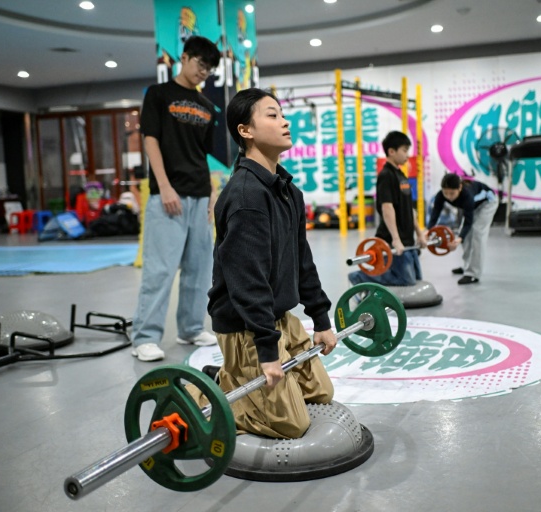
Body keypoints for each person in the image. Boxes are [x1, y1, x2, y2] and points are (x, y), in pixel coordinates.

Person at [200, 88, 337, 439]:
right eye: (272, 115)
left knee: (322, 393)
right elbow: (248, 281)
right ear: (246, 131)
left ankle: (231, 374)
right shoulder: (246, 196)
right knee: (292, 423)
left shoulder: (288, 191)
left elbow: (302, 260)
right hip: (244, 324)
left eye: (282, 114)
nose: (285, 121)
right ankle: (207, 390)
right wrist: (265, 349)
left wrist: (321, 319)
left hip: (278, 317)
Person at [131, 36, 221, 362]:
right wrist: (164, 186)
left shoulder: (208, 107)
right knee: (160, 270)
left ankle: (191, 328)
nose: (204, 73)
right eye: (200, 64)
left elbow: (203, 155)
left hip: (200, 194)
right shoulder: (158, 95)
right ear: (184, 57)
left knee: (199, 268)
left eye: (209, 69)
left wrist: (212, 193)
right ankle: (144, 337)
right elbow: (150, 141)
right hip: (168, 195)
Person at [348, 131, 428, 287]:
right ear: (391, 151)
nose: (407, 155)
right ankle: (359, 277)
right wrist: (395, 241)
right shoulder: (386, 175)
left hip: (408, 239)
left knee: (417, 279)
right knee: (407, 281)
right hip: (392, 239)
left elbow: (409, 209)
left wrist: (419, 233)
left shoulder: (401, 176)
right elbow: (387, 208)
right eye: (404, 150)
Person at [427, 173, 498, 285]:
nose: (449, 196)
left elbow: (468, 223)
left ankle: (473, 274)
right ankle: (466, 266)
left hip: (487, 203)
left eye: (452, 193)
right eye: (446, 193)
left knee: (477, 234)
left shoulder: (467, 196)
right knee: (465, 236)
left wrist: (458, 239)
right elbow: (435, 213)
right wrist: (428, 231)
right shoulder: (440, 196)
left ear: (459, 188)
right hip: (473, 206)